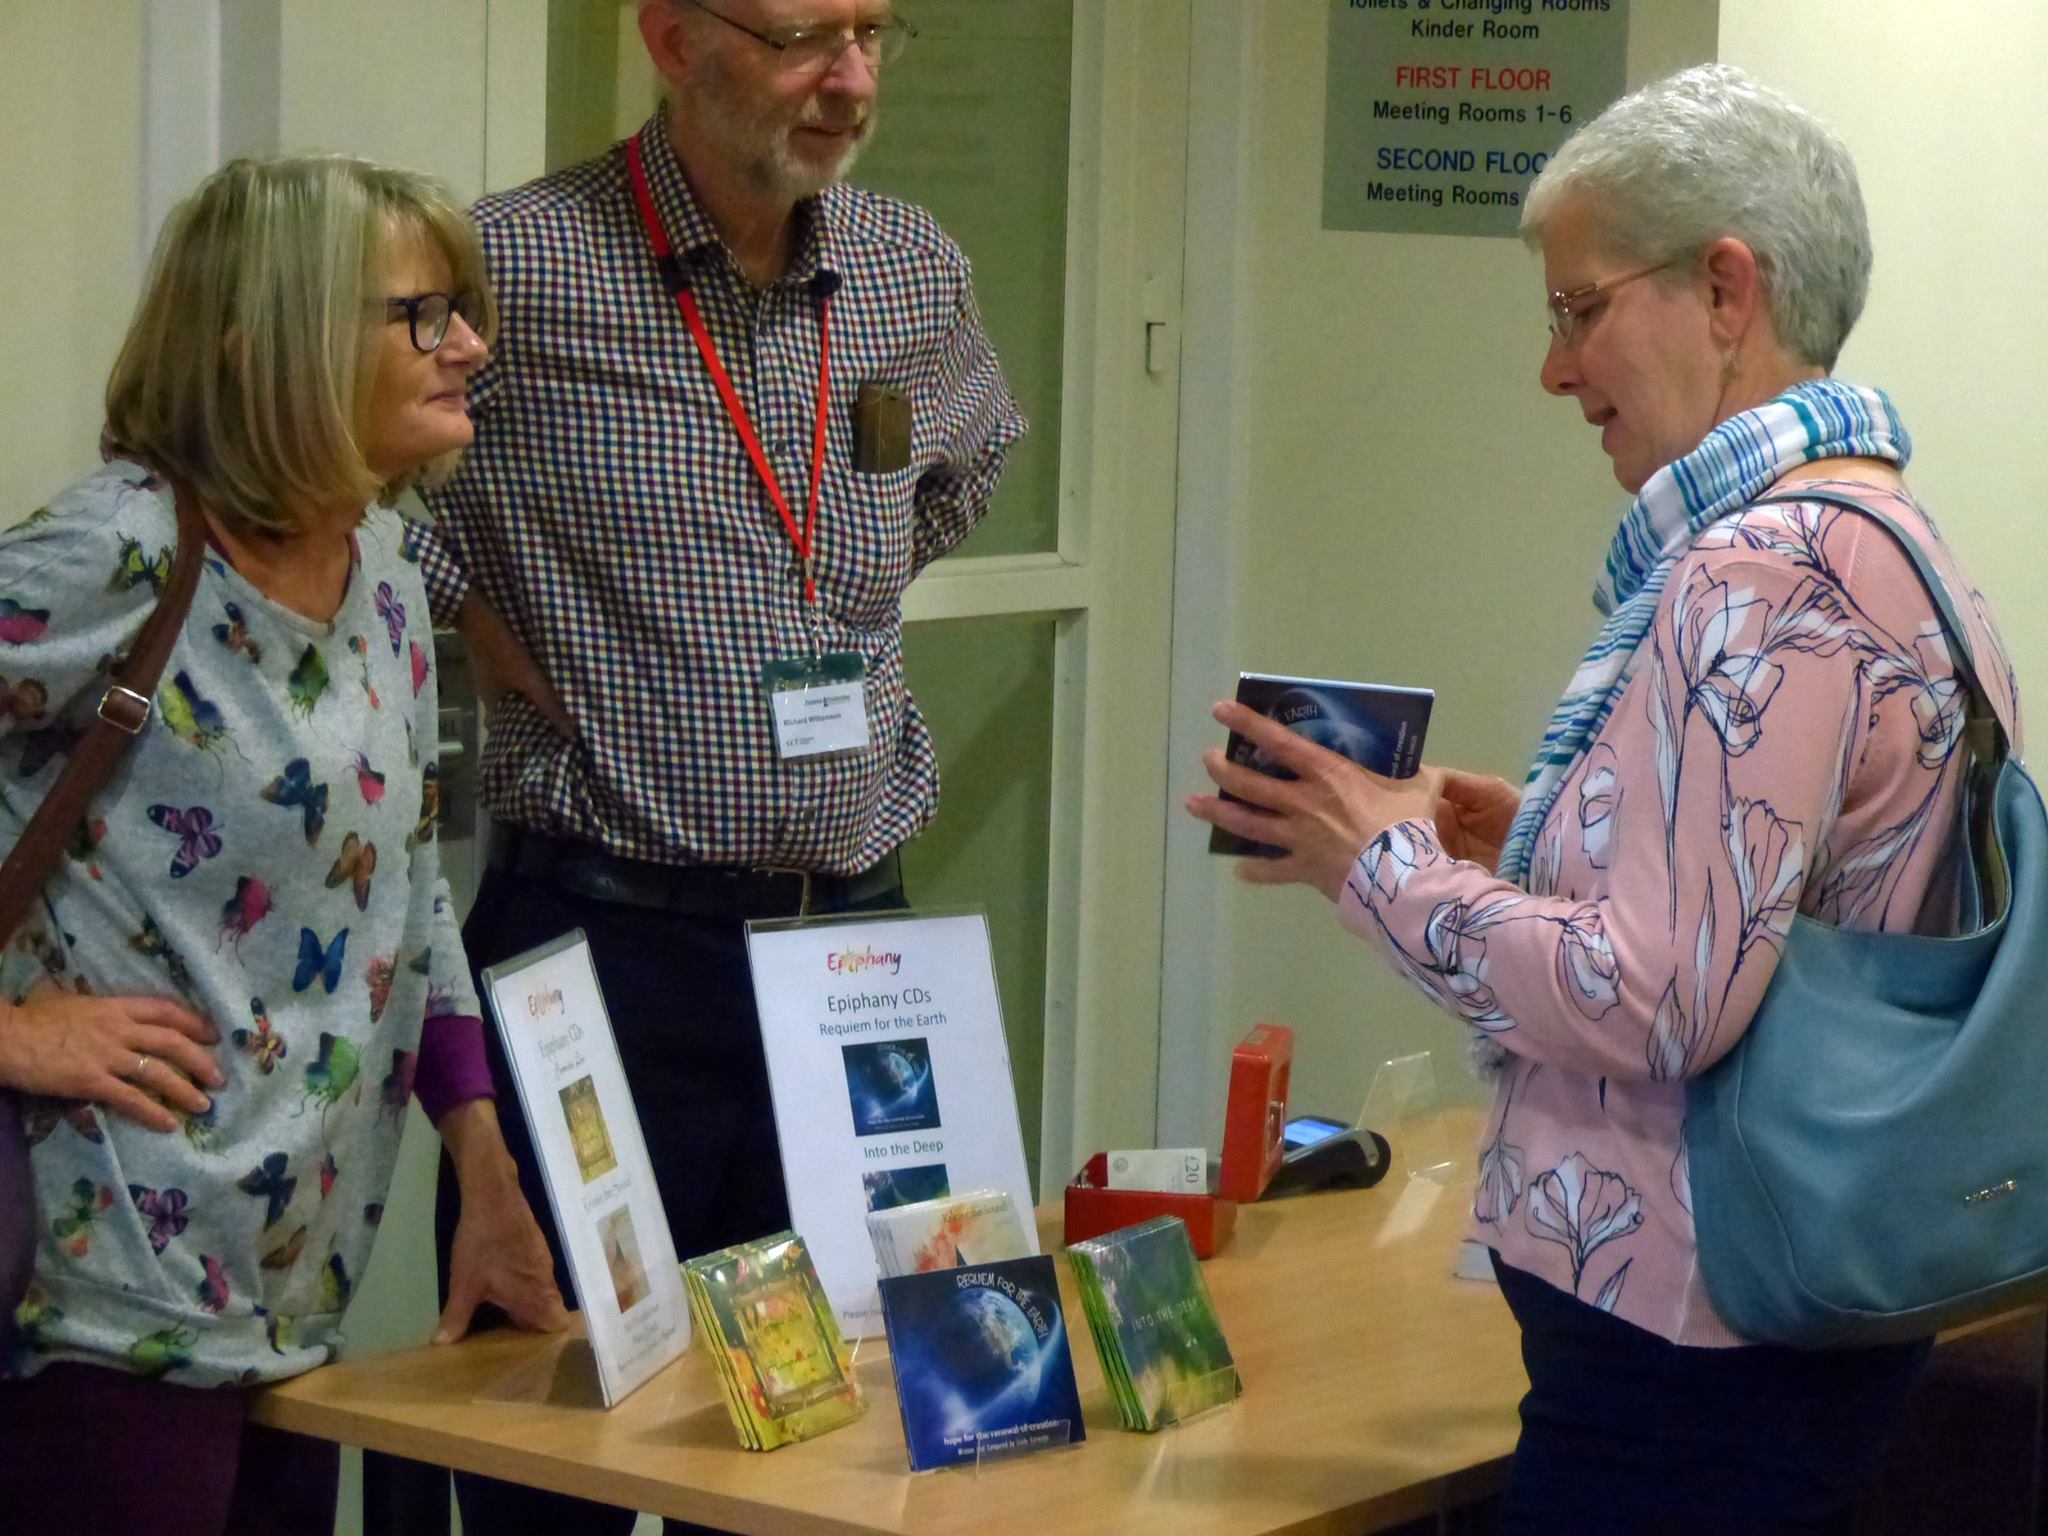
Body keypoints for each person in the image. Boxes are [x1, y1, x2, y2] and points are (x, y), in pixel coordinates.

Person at [1187, 64, 2021, 1536]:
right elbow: (1804, 900)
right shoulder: (1888, 532)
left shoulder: (1754, 574)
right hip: (1795, 1310)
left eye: (1579, 310)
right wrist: (1527, 832)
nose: (1555, 370)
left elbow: (1658, 1003)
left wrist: (1374, 866)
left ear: (1726, 289)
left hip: (1692, 1341)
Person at [411, 2, 1023, 1530]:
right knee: (556, 1445)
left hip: (853, 957)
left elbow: (964, 468)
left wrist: (809, 604)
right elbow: (356, 490)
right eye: (807, 34)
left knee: (842, 1451)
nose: (853, 80)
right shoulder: (514, 264)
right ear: (675, 40)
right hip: (608, 955)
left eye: (876, 32)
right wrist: (473, 607)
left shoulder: (908, 265)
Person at [0, 155, 568, 1535]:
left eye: (465, 311)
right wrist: (9, 1032)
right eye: (423, 315)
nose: (470, 347)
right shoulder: (121, 552)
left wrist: (484, 1166)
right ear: (274, 343)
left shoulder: (389, 573)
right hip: (100, 1302)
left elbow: (410, 893)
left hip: (297, 1295)